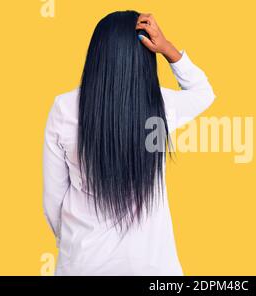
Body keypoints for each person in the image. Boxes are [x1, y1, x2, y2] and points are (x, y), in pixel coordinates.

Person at [42, 10, 215, 275]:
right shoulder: (161, 105)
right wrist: (167, 48)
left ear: (96, 54)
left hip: (83, 264)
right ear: (145, 57)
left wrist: (71, 244)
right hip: (154, 269)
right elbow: (203, 93)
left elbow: (53, 199)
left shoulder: (64, 109)